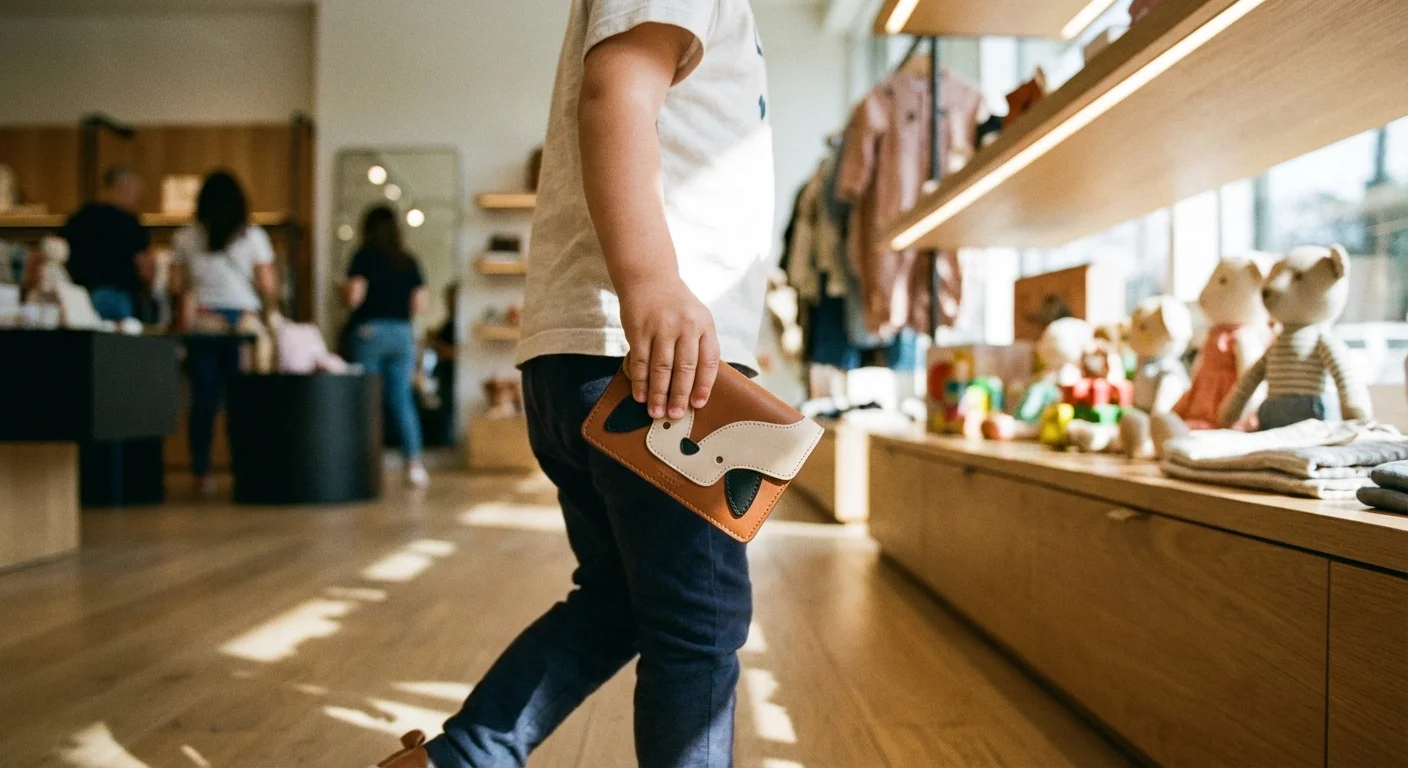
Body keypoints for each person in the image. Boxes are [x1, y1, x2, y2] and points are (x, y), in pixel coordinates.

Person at [376, 0, 773, 766]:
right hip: (649, 363)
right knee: (700, 627)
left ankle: (458, 759)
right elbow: (616, 92)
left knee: (619, 599)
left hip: (598, 355)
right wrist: (651, 281)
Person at [170, 171, 278, 496]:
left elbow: (176, 286)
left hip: (204, 322)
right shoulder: (253, 237)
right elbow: (267, 285)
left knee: (204, 399)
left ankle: (201, 472)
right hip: (242, 323)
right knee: (242, 399)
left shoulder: (185, 238)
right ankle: (244, 467)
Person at [345, 205, 430, 488]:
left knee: (367, 398)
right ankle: (414, 465)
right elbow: (420, 305)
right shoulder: (409, 260)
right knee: (401, 399)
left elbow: (354, 298)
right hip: (401, 334)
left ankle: (364, 464)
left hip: (370, 332)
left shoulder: (362, 257)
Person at [59, 166, 151, 321]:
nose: (137, 200)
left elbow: (59, 252)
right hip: (122, 297)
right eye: (136, 193)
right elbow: (144, 268)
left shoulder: (80, 218)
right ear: (123, 188)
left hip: (82, 298)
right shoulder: (131, 223)